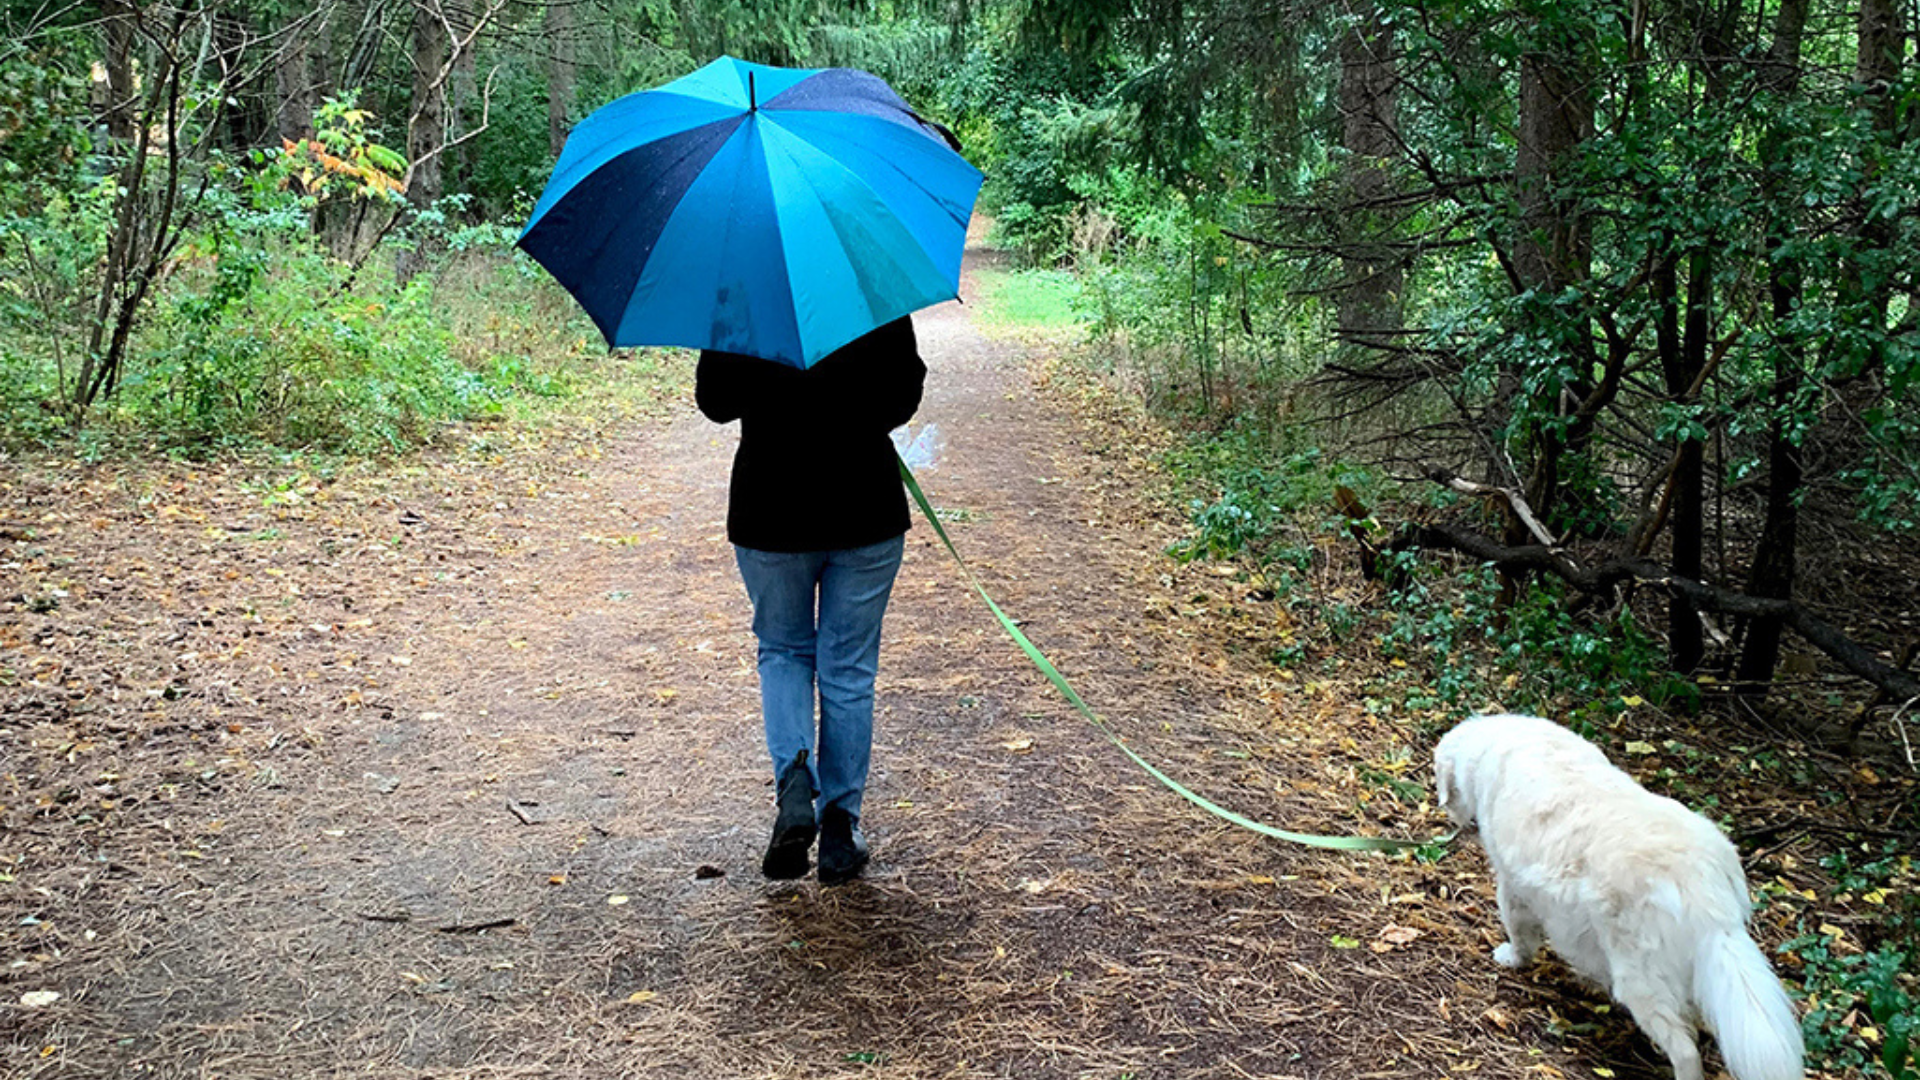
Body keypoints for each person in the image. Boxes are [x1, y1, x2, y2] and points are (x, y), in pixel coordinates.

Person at [695, 317, 927, 885]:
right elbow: (902, 396)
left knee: (783, 651)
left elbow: (716, 401)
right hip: (864, 507)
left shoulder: (740, 288)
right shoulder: (866, 284)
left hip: (769, 510)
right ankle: (841, 829)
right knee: (847, 670)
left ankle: (796, 782)